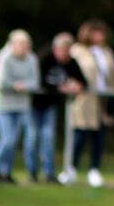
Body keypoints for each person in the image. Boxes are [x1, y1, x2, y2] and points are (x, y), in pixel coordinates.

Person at [62, 18, 114, 188]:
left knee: (98, 136)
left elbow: (112, 76)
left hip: (101, 100)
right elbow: (68, 72)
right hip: (83, 100)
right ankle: (71, 169)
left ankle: (95, 170)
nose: (100, 36)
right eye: (97, 32)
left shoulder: (106, 52)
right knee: (79, 135)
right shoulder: (78, 50)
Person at [30, 32, 82, 183]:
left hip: (50, 106)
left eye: (68, 51)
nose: (65, 55)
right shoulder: (44, 58)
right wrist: (60, 87)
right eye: (63, 51)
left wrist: (78, 85)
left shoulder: (70, 61)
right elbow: (37, 81)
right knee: (33, 138)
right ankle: (32, 173)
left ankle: (49, 173)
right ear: (56, 48)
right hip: (34, 105)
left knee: (48, 138)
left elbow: (82, 79)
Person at [0, 30, 38, 184]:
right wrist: (15, 86)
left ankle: (7, 172)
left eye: (27, 46)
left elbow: (35, 82)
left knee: (15, 140)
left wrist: (24, 86)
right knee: (7, 139)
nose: (25, 49)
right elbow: (1, 82)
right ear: (13, 45)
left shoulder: (32, 58)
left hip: (22, 105)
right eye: (22, 45)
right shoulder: (4, 57)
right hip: (3, 104)